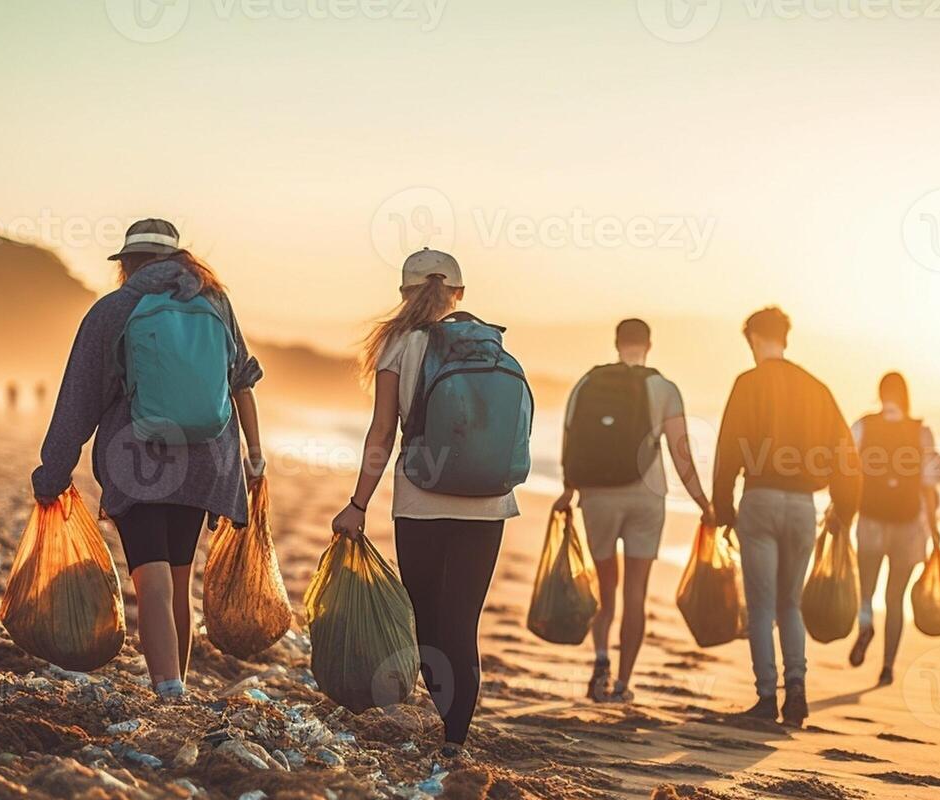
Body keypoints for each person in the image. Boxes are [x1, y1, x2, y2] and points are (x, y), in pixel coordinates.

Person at [32, 219, 265, 702]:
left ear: (128, 264)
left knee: (150, 577)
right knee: (179, 577)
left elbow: (78, 400)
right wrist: (254, 460)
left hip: (136, 461)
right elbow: (242, 381)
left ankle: (169, 689)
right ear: (180, 257)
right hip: (206, 462)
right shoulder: (215, 303)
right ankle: (173, 682)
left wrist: (52, 472)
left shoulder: (114, 309)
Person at [331, 249, 527, 762]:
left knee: (426, 619)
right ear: (458, 294)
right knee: (463, 622)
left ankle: (444, 721)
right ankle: (455, 741)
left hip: (421, 501)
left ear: (405, 293)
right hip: (488, 504)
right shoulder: (491, 344)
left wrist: (358, 504)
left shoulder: (399, 344)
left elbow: (382, 432)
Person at [712, 307, 861, 727]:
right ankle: (796, 691)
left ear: (754, 339)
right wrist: (843, 510)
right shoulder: (817, 388)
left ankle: (764, 698)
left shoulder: (748, 383)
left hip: (759, 500)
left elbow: (728, 450)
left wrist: (723, 510)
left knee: (761, 607)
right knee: (789, 604)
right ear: (785, 338)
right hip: (802, 508)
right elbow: (846, 456)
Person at [553, 318, 712, 703]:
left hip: (597, 496)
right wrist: (703, 502)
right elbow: (681, 451)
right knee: (636, 592)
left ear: (616, 343)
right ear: (649, 345)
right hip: (646, 497)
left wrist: (569, 489)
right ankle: (623, 684)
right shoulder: (664, 388)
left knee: (607, 589)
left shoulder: (587, 384)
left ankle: (602, 661)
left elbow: (572, 439)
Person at [848, 372, 940, 686]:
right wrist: (934, 528)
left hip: (870, 520)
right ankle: (888, 665)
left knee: (867, 591)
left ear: (880, 393)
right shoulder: (921, 432)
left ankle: (865, 624)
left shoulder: (863, 426)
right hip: (907, 524)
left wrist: (841, 513)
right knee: (895, 598)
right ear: (905, 395)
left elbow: (847, 472)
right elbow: (928, 486)